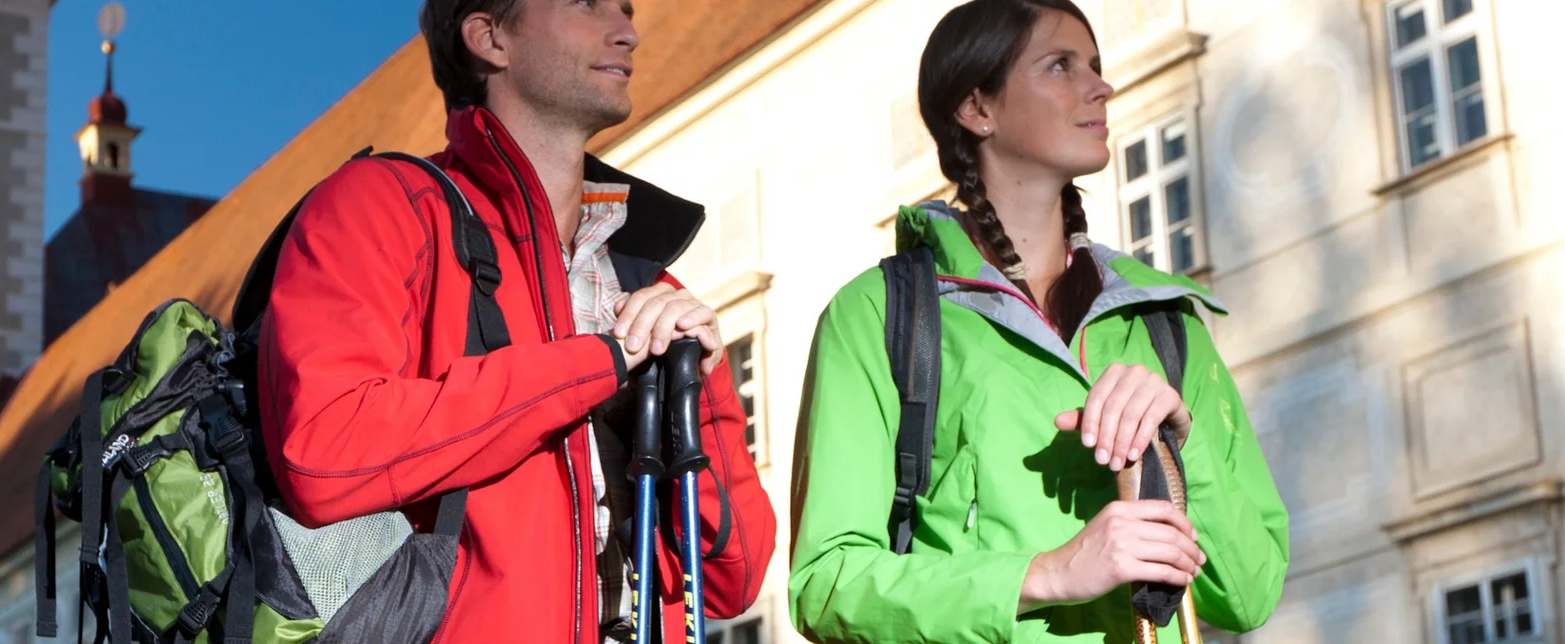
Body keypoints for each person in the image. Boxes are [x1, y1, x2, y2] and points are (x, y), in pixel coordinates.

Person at [254, 1, 776, 642]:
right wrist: (596, 362)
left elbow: (733, 578)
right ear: (490, 36)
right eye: (586, 3)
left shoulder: (647, 284)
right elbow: (324, 450)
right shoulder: (381, 207)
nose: (629, 32)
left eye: (626, 9)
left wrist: (706, 384)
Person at [786, 1, 1289, 641]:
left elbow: (1248, 594)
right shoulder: (877, 314)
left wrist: (1177, 453)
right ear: (978, 109)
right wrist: (1046, 574)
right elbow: (828, 583)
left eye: (1096, 66)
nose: (1099, 86)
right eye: (1060, 65)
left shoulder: (1164, 320)